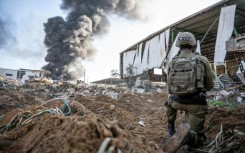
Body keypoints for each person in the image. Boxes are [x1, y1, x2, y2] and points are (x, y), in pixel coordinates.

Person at [165, 32, 214, 149]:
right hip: (196, 104)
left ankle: (171, 129)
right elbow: (210, 85)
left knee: (169, 99)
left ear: (179, 46)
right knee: (197, 138)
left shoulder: (172, 62)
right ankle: (189, 138)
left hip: (177, 103)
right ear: (193, 45)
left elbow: (169, 89)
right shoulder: (202, 60)